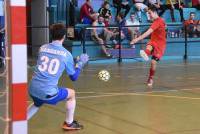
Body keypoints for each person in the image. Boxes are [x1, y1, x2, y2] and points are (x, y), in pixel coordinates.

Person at [27, 23, 89, 130]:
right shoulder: (66, 54)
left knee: (37, 103)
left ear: (52, 35)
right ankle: (69, 123)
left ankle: (20, 120)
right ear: (64, 36)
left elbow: (53, 57)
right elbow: (73, 77)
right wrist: (80, 65)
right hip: (47, 92)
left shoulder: (42, 48)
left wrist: (75, 60)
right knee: (72, 94)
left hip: (32, 88)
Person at [130, 5, 166, 87]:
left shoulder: (158, 21)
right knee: (149, 46)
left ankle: (150, 78)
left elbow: (147, 33)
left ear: (154, 12)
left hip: (160, 45)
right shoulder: (157, 21)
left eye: (149, 13)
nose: (149, 15)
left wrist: (136, 39)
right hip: (153, 41)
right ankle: (145, 53)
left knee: (153, 63)